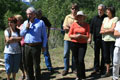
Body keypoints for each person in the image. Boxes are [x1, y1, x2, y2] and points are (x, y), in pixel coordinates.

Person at [20, 7, 47, 80]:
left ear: (34, 14)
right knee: (28, 64)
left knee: (36, 65)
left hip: (36, 46)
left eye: (30, 14)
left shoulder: (40, 22)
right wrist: (26, 28)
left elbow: (44, 35)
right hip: (27, 46)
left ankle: (38, 78)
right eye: (27, 14)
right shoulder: (25, 23)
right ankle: (30, 78)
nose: (29, 16)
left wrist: (44, 46)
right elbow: (21, 34)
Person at [68, 11, 90, 80]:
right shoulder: (74, 24)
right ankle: (78, 76)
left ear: (83, 17)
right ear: (77, 18)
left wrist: (81, 36)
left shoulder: (86, 25)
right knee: (76, 60)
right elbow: (69, 35)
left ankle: (83, 76)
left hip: (82, 44)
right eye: (78, 17)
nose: (80, 18)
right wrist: (75, 36)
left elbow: (87, 36)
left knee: (81, 60)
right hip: (74, 43)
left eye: (81, 16)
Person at [100, 6, 118, 77]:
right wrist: (108, 31)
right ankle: (108, 71)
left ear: (111, 11)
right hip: (104, 40)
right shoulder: (105, 19)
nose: (106, 11)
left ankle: (115, 71)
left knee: (114, 56)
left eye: (108, 10)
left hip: (112, 40)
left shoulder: (115, 18)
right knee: (106, 56)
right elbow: (101, 30)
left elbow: (113, 29)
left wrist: (105, 31)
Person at [89, 4, 107, 75]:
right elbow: (91, 30)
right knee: (96, 54)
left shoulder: (106, 18)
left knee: (104, 54)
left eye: (101, 9)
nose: (99, 11)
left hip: (104, 39)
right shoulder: (94, 18)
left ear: (104, 10)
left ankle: (103, 69)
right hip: (96, 39)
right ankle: (96, 69)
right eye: (98, 9)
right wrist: (90, 38)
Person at [62, 3, 79, 76]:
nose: (74, 10)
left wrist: (70, 27)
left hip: (75, 39)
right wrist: (72, 28)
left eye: (75, 8)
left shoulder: (79, 18)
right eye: (72, 8)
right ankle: (66, 69)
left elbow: (79, 28)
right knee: (66, 54)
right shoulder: (67, 17)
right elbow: (64, 27)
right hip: (67, 38)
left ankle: (74, 68)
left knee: (74, 54)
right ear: (71, 9)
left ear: (77, 9)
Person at [14, 14, 26, 80]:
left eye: (17, 20)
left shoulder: (22, 26)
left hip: (23, 45)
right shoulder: (14, 27)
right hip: (16, 46)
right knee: (18, 61)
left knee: (24, 60)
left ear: (20, 20)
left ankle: (26, 74)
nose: (16, 21)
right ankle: (22, 73)